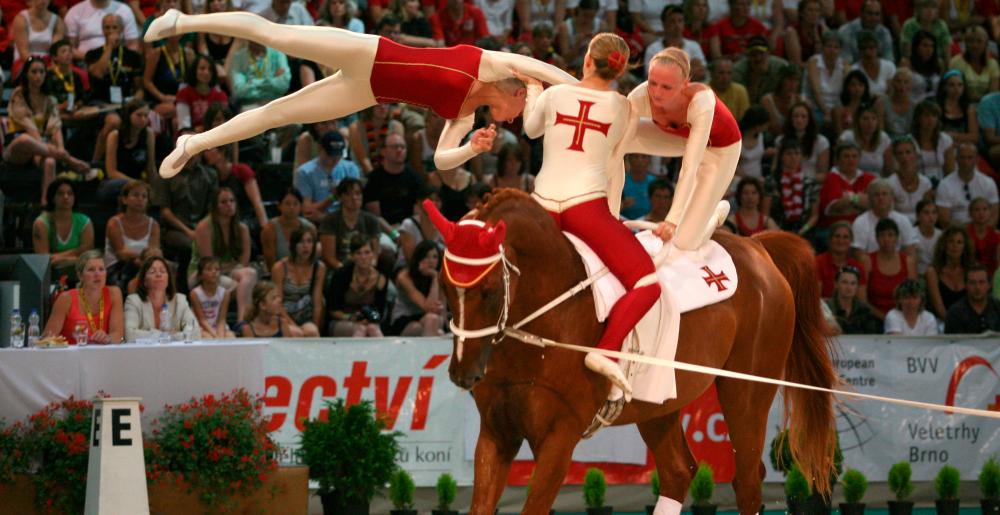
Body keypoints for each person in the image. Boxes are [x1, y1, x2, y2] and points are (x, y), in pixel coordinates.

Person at [143, 7, 576, 179]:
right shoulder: (495, 63)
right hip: (370, 52)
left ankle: (193, 143)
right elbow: (550, 73)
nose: (519, 119)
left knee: (279, 113)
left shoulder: (464, 116)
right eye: (525, 107)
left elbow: (441, 160)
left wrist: (470, 150)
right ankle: (181, 21)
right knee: (274, 34)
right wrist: (587, 94)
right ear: (521, 91)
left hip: (368, 91)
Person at [516, 33, 649, 401]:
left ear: (588, 59)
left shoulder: (555, 95)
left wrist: (531, 88)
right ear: (619, 70)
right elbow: (615, 161)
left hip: (541, 205)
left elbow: (530, 130)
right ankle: (606, 349)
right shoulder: (623, 108)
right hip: (585, 208)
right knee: (646, 282)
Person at [626, 47, 742, 257]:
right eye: (652, 83)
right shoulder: (638, 96)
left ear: (685, 84)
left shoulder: (701, 101)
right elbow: (615, 143)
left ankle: (715, 214)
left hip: (719, 151)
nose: (657, 93)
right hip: (681, 139)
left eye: (667, 87)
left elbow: (689, 167)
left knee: (686, 242)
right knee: (616, 138)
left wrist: (672, 220)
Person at [5, 57, 90, 205]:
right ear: (26, 74)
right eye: (34, 72)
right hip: (18, 148)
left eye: (41, 72)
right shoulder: (18, 95)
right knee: (25, 139)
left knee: (50, 161)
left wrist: (61, 149)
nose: (38, 76)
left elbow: (55, 127)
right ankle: (70, 161)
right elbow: (28, 126)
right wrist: (65, 156)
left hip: (41, 148)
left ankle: (46, 204)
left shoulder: (50, 99)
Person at [190, 187, 257, 319]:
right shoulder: (204, 227)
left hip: (228, 270)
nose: (229, 205)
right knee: (240, 287)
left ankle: (242, 320)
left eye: (232, 201)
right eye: (224, 202)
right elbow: (208, 264)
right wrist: (231, 266)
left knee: (250, 273)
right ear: (215, 206)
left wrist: (232, 267)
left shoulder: (242, 228)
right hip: (203, 273)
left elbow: (244, 262)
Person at [43, 250, 125, 344]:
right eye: (91, 270)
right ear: (80, 276)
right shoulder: (66, 298)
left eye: (101, 269)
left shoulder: (114, 293)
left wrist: (107, 338)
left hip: (102, 355)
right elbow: (48, 338)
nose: (97, 274)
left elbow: (118, 334)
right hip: (70, 356)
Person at [124, 255, 200, 342]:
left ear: (168, 279)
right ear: (144, 281)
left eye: (163, 271)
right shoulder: (133, 301)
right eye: (152, 272)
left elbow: (195, 332)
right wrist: (164, 335)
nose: (159, 274)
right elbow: (129, 335)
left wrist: (171, 337)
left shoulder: (180, 300)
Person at [33, 179, 95, 281]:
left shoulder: (84, 221)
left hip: (80, 273)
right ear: (52, 197)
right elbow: (43, 260)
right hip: (50, 275)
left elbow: (87, 253)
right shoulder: (41, 223)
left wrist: (61, 258)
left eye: (70, 193)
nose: (66, 197)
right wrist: (75, 257)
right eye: (60, 193)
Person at [327, 235, 389, 336]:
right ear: (352, 256)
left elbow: (380, 312)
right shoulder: (341, 275)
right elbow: (333, 310)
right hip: (342, 320)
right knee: (360, 329)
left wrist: (370, 318)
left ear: (373, 254)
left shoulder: (381, 278)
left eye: (367, 252)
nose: (363, 257)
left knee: (373, 329)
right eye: (358, 253)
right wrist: (351, 317)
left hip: (369, 321)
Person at [104, 180, 160, 290]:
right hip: (117, 268)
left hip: (145, 266)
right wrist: (142, 258)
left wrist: (144, 261)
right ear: (124, 199)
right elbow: (122, 253)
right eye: (135, 195)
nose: (140, 199)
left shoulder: (153, 225)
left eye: (144, 196)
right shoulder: (114, 223)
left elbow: (155, 252)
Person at [294, 131, 362, 222]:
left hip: (344, 220)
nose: (334, 159)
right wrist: (332, 198)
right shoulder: (304, 172)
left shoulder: (351, 169)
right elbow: (307, 210)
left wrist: (325, 218)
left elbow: (355, 205)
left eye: (338, 155)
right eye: (330, 155)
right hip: (315, 223)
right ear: (320, 148)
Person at [270, 227, 325, 337]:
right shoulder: (280, 267)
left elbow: (317, 303)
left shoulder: (319, 267)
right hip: (284, 316)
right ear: (293, 245)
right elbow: (277, 303)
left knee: (312, 331)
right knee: (296, 333)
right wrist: (293, 324)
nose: (306, 246)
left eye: (309, 241)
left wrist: (315, 325)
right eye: (301, 242)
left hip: (305, 316)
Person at [319, 178, 382, 270]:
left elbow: (375, 255)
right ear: (340, 198)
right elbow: (329, 258)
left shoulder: (371, 220)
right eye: (348, 194)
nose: (354, 197)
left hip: (366, 269)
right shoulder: (330, 220)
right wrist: (347, 272)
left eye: (358, 193)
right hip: (339, 269)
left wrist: (367, 269)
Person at [388, 239, 446, 336]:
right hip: (405, 318)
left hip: (429, 318)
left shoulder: (441, 276)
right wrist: (435, 278)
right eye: (426, 257)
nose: (431, 261)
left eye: (435, 257)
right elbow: (427, 307)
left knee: (433, 320)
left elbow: (441, 308)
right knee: (426, 326)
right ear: (419, 258)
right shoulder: (404, 277)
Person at [862, 218, 917, 318]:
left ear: (897, 238)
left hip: (903, 317)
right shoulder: (867, 261)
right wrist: (885, 318)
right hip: (873, 317)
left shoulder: (908, 262)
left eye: (890, 235)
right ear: (876, 238)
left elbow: (914, 297)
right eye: (882, 235)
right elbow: (862, 300)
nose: (886, 239)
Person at [936, 142, 1000, 228]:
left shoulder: (988, 183)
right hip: (956, 235)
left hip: (983, 234)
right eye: (962, 157)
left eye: (970, 157)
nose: (966, 162)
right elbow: (944, 220)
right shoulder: (945, 185)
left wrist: (980, 233)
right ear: (956, 159)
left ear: (977, 160)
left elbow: (994, 216)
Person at [925, 226, 973, 319]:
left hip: (967, 322)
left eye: (959, 242)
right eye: (951, 241)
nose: (955, 245)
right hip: (941, 323)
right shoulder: (932, 272)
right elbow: (939, 309)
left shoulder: (971, 271)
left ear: (965, 247)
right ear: (944, 245)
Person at [261, 188, 316, 269]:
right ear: (279, 206)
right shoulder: (269, 229)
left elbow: (312, 259)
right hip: (280, 272)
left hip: (305, 272)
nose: (292, 207)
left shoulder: (310, 228)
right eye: (287, 204)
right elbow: (271, 264)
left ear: (301, 206)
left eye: (295, 204)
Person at [886, 136, 934, 223]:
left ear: (915, 155)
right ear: (895, 157)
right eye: (900, 153)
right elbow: (889, 214)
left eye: (908, 152)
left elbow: (928, 212)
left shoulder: (925, 183)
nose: (904, 156)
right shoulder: (890, 183)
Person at [174, 53, 228, 130]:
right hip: (191, 135)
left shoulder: (220, 95)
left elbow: (224, 123)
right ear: (194, 71)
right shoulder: (184, 94)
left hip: (215, 134)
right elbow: (184, 125)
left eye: (210, 69)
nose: (206, 72)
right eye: (202, 68)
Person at [815, 221, 867, 298]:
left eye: (845, 237)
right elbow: (816, 299)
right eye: (837, 236)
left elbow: (862, 301)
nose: (841, 241)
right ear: (830, 239)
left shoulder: (858, 267)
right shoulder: (817, 263)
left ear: (851, 241)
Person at [825, 265, 882, 334]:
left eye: (853, 283)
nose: (849, 287)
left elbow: (871, 337)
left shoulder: (865, 310)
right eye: (844, 282)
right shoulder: (826, 308)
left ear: (857, 286)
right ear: (836, 284)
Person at [945, 264, 1000, 333]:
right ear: (965, 285)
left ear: (989, 285)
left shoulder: (997, 308)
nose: (977, 287)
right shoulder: (955, 313)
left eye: (981, 282)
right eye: (972, 283)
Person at [190, 256, 235, 338]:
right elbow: (202, 320)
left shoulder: (225, 293)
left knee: (231, 336)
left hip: (218, 326)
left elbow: (221, 319)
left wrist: (220, 337)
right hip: (202, 327)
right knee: (208, 338)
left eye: (217, 269)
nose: (214, 272)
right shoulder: (195, 293)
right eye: (209, 269)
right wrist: (215, 336)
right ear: (200, 275)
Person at [967, 197, 1000, 277]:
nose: (981, 213)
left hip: (992, 276)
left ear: (990, 212)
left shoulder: (997, 235)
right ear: (970, 213)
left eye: (985, 209)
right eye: (977, 210)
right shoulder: (965, 234)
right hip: (969, 275)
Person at [913, 199, 941, 275]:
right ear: (918, 216)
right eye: (926, 213)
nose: (931, 216)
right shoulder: (911, 235)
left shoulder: (941, 235)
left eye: (934, 212)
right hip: (918, 274)